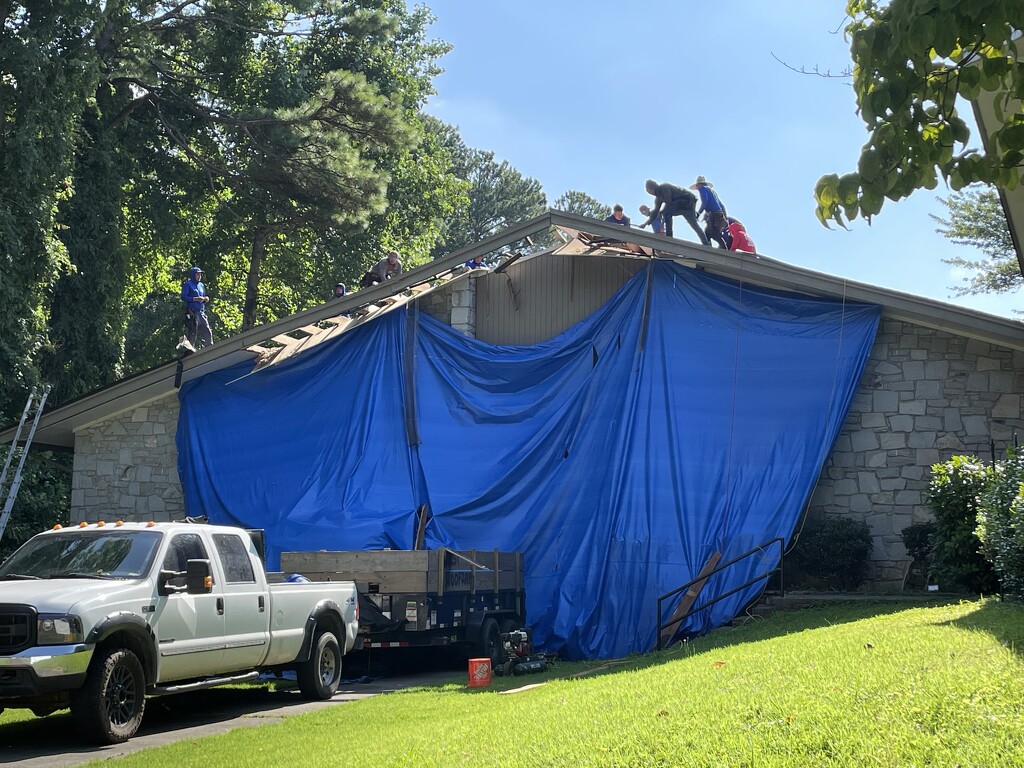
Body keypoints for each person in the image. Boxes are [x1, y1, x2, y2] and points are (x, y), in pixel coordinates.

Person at [637, 179, 708, 244]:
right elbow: (655, 212)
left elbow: (669, 202)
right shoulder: (658, 199)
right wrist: (646, 224)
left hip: (687, 201)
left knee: (667, 213)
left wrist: (661, 212)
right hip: (681, 206)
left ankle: (669, 236)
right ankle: (670, 236)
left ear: (652, 189)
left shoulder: (664, 187)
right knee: (667, 213)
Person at [690, 176, 729, 249]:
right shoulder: (712, 192)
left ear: (698, 185)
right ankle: (709, 249)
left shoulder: (702, 189)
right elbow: (722, 205)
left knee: (714, 234)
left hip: (713, 214)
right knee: (707, 233)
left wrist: (698, 214)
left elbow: (704, 202)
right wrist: (725, 217)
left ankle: (723, 250)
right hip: (718, 214)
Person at [180, 266, 213, 349]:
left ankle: (210, 346)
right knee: (193, 332)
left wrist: (205, 299)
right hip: (192, 312)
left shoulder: (201, 285)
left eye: (200, 275)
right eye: (198, 274)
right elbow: (184, 297)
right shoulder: (188, 284)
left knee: (207, 329)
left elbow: (202, 296)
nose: (199, 276)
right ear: (193, 275)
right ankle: (190, 348)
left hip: (201, 311)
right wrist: (195, 299)